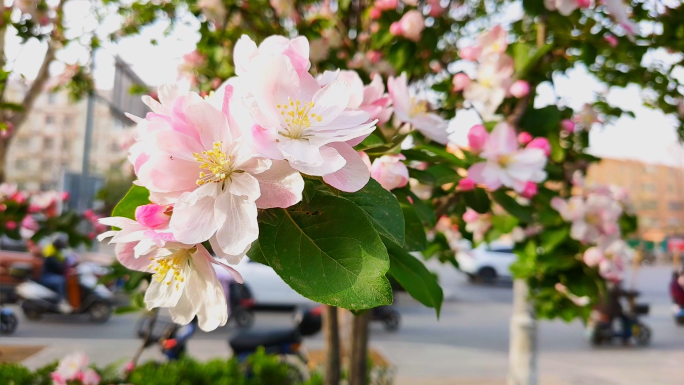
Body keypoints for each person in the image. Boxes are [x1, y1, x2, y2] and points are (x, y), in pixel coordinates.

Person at [39, 236, 72, 313]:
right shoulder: (50, 254)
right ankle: (61, 301)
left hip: (53, 275)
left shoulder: (58, 253)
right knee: (61, 281)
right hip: (47, 277)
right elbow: (60, 267)